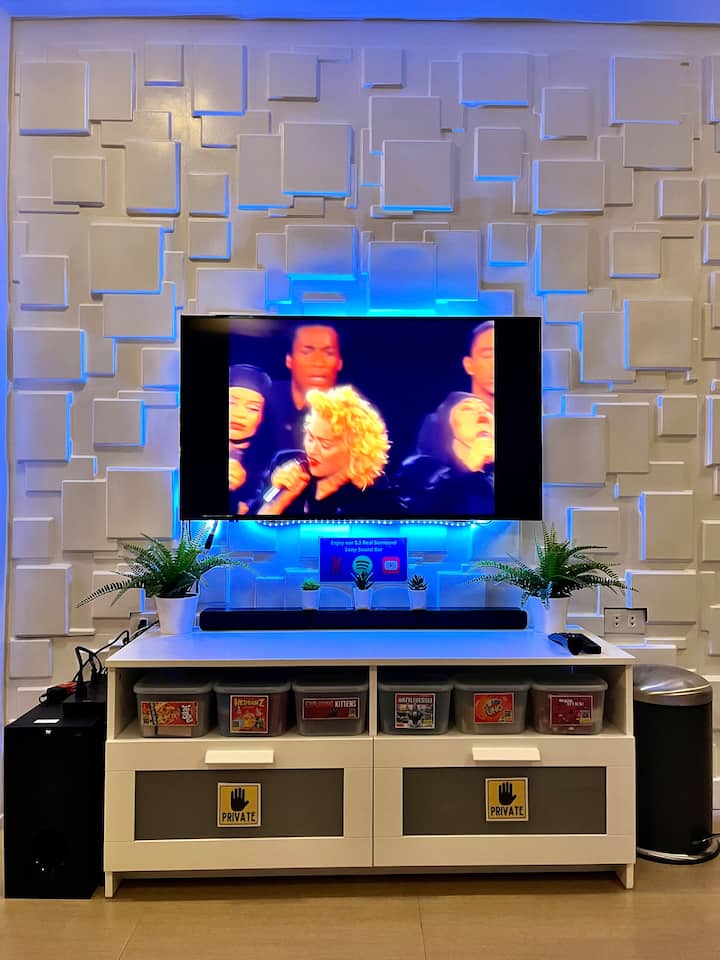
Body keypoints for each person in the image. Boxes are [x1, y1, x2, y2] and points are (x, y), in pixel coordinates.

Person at [254, 385, 398, 518]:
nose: (312, 450)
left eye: (325, 444)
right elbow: (247, 529)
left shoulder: (376, 498)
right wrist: (278, 498)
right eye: (310, 437)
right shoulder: (286, 463)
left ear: (355, 450)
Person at [396, 391, 494, 517]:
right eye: (467, 408)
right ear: (447, 423)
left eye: (487, 409)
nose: (482, 411)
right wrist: (470, 467)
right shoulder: (420, 468)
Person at [414, 320, 495, 455]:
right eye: (487, 356)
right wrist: (467, 465)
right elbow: (417, 466)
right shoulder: (439, 425)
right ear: (469, 365)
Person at [267, 323, 344, 451]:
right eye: (306, 352)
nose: (318, 363)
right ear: (289, 360)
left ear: (339, 363)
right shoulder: (262, 401)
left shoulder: (353, 418)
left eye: (329, 353)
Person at [228, 363, 273, 516]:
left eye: (253, 408)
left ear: (262, 416)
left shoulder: (269, 465)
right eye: (231, 403)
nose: (239, 414)